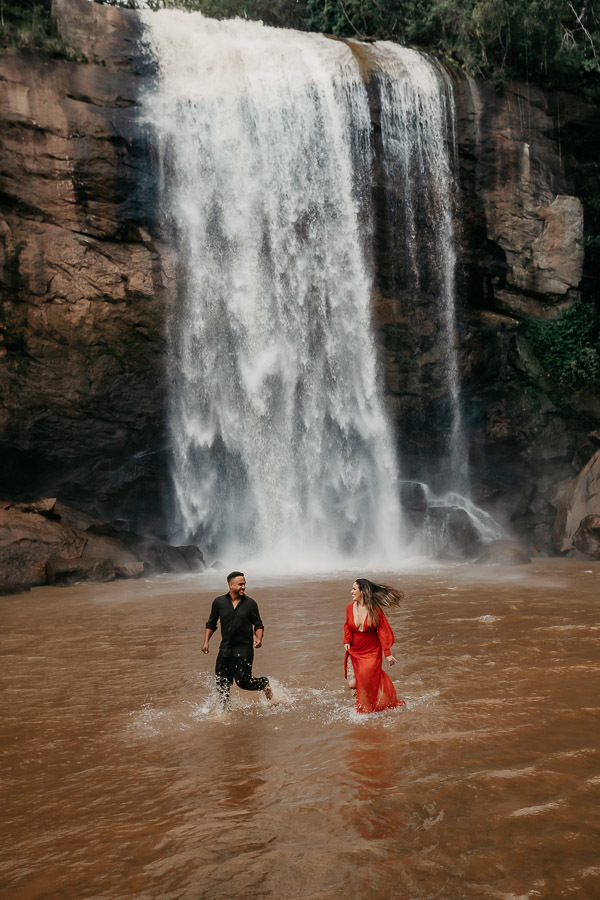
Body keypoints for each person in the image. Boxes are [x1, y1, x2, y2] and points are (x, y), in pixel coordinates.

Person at [202, 571, 273, 705]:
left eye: (244, 584)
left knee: (243, 682)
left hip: (244, 650)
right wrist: (206, 641)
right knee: (222, 685)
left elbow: (258, 624)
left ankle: (264, 683)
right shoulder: (219, 602)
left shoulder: (250, 604)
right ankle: (224, 713)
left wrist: (259, 639)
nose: (243, 587)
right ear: (230, 584)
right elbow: (211, 623)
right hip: (224, 650)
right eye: (240, 584)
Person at [343, 577, 405, 714]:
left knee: (366, 680)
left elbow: (383, 631)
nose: (351, 592)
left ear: (363, 592)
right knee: (352, 684)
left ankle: (364, 710)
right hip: (354, 649)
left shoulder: (375, 610)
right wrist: (347, 640)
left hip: (371, 650)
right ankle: (367, 696)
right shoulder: (349, 608)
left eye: (354, 589)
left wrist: (387, 653)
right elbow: (347, 625)